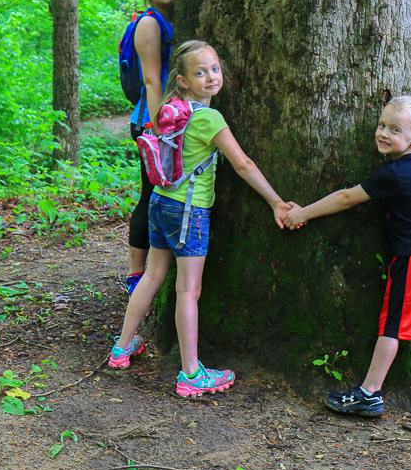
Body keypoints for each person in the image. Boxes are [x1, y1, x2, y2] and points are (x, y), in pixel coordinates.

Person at [283, 96, 411, 424]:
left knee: (393, 325)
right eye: (382, 125)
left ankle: (370, 392)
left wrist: (302, 213)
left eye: (395, 129)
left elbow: (347, 197)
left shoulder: (395, 173)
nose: (384, 133)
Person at [108, 40, 292, 397]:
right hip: (187, 212)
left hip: (159, 204)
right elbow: (243, 164)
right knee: (188, 291)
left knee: (153, 275)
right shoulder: (209, 118)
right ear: (183, 80)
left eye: (215, 69)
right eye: (200, 72)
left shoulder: (172, 110)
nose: (210, 77)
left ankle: (122, 347)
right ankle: (191, 374)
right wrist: (276, 202)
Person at [126, 0, 179, 295]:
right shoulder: (150, 24)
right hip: (152, 123)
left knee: (163, 195)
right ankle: (135, 276)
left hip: (169, 119)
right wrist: (160, 127)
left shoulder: (174, 18)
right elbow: (150, 80)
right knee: (150, 195)